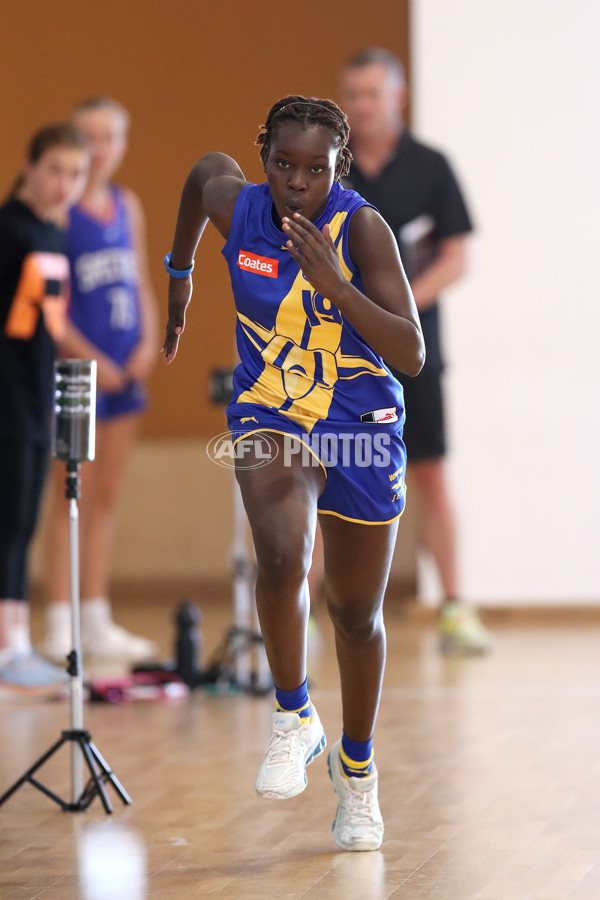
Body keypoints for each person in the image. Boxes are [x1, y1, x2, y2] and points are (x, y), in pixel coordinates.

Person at [163, 95, 425, 851]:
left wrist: (336, 283)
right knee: (280, 553)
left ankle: (358, 770)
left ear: (339, 168)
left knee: (355, 615)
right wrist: (179, 274)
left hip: (360, 429)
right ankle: (292, 715)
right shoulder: (238, 207)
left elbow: (410, 354)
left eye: (317, 169)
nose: (298, 182)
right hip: (271, 413)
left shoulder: (362, 227)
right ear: (265, 157)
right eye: (283, 164)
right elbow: (199, 174)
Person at [340, 48, 492, 655]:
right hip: (345, 355)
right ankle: (306, 612)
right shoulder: (332, 169)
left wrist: (401, 313)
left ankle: (455, 607)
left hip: (415, 353)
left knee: (430, 473)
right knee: (331, 473)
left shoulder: (432, 167)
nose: (361, 105)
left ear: (398, 96)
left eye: (372, 93)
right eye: (352, 94)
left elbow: (456, 258)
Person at [40, 98, 158, 663]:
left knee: (106, 494)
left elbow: (142, 282)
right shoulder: (61, 213)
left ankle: (95, 615)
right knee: (70, 492)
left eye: (110, 137)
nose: (101, 149)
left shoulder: (126, 204)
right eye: (89, 138)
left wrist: (148, 341)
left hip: (124, 370)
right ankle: (59, 622)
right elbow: (50, 306)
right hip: (79, 369)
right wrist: (87, 357)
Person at [0, 123, 90, 690]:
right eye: (54, 169)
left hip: (38, 399)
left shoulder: (53, 235)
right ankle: (9, 646)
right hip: (7, 399)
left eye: (75, 173)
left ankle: (14, 643)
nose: (64, 183)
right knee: (8, 524)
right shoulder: (9, 231)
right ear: (31, 167)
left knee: (23, 523)